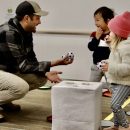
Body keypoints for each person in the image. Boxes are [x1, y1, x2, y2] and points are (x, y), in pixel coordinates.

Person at [0, 1, 74, 122]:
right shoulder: (10, 32)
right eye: (37, 18)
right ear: (27, 18)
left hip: (7, 70)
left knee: (40, 79)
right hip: (2, 71)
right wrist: (53, 63)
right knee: (20, 87)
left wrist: (45, 72)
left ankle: (4, 102)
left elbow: (31, 60)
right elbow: (23, 66)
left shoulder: (26, 31)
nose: (40, 22)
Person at [101, 11, 130, 130]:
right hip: (115, 80)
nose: (109, 33)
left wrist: (110, 67)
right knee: (115, 105)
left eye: (111, 31)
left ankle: (126, 126)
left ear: (118, 33)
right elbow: (116, 56)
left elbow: (128, 68)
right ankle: (116, 126)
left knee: (115, 105)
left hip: (124, 83)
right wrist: (110, 44)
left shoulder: (126, 48)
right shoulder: (119, 45)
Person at [87, 6, 114, 97]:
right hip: (96, 65)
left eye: (98, 20)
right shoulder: (94, 34)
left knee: (113, 87)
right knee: (91, 86)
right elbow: (91, 47)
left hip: (109, 66)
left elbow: (116, 50)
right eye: (95, 20)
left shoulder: (114, 34)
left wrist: (111, 41)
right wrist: (96, 38)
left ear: (108, 20)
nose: (95, 23)